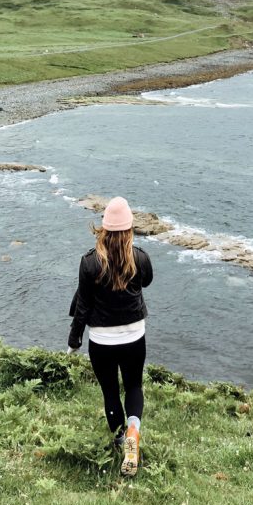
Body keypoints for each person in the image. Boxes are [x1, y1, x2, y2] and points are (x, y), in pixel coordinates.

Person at [67, 196, 153, 476]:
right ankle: (133, 432)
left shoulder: (89, 263)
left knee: (110, 392)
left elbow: (83, 304)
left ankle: (120, 441)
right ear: (130, 230)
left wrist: (74, 339)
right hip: (134, 336)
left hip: (102, 340)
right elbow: (147, 281)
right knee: (134, 387)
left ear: (103, 229)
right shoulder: (139, 258)